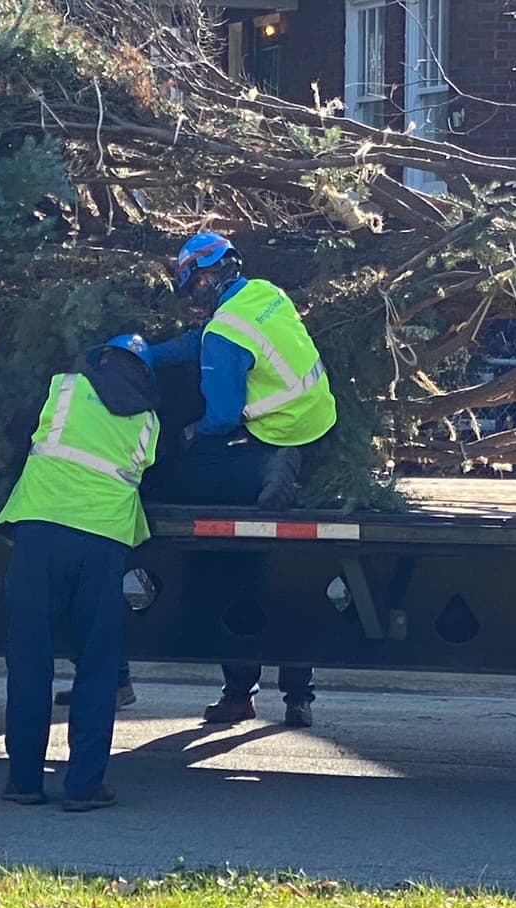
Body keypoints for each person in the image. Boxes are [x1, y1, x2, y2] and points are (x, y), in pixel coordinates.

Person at [150, 231, 337, 729]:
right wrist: (157, 353)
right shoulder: (265, 294)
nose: (192, 299)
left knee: (230, 561)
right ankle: (299, 697)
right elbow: (204, 339)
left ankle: (238, 693)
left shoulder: (223, 335)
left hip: (274, 434)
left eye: (191, 289)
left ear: (205, 279)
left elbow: (223, 415)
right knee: (291, 579)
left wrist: (189, 432)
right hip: (318, 419)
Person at [0, 334, 159, 811]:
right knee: (98, 665)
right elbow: (147, 468)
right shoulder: (148, 420)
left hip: (40, 532)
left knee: (29, 659)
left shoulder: (64, 388)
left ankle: (24, 782)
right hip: (102, 542)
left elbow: (23, 434)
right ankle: (84, 786)